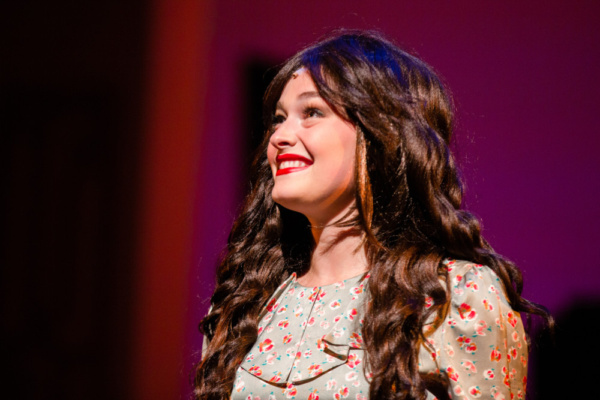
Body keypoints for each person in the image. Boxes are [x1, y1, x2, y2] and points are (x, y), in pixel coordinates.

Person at [194, 31, 550, 400]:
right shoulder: (244, 306)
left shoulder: (454, 298)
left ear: (380, 133)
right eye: (278, 119)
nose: (281, 136)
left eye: (312, 112)